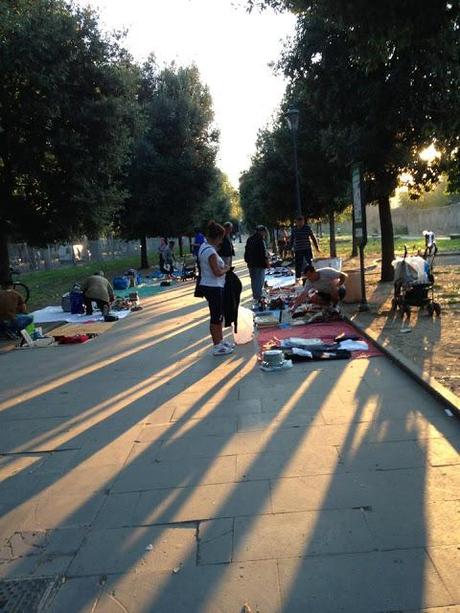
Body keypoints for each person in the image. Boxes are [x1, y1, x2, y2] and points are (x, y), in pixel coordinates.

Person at [197, 220, 233, 356]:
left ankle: (220, 341)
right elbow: (217, 272)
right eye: (221, 238)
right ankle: (217, 345)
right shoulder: (211, 252)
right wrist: (226, 269)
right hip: (213, 286)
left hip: (211, 285)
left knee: (218, 315)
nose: (221, 241)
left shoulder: (203, 246)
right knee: (216, 317)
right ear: (217, 237)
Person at [290, 215, 320, 281]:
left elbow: (313, 237)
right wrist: (290, 248)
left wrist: (317, 247)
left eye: (301, 221)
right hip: (298, 249)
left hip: (307, 248)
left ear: (303, 221)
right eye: (298, 221)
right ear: (296, 222)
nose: (300, 223)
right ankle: (298, 277)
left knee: (310, 262)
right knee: (298, 264)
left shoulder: (307, 228)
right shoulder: (294, 229)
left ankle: (313, 275)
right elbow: (291, 239)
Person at [244, 225, 269, 301]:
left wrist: (247, 260)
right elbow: (263, 253)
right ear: (261, 232)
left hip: (251, 263)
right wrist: (267, 263)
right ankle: (258, 296)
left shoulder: (250, 239)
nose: (265, 234)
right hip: (259, 263)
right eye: (264, 232)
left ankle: (255, 295)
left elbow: (246, 251)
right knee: (259, 280)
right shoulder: (260, 240)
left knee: (253, 280)